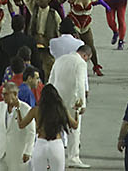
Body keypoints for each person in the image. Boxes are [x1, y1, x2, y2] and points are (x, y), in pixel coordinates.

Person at [49, 40, 91, 168]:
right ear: (86, 56)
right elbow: (80, 84)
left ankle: (52, 158)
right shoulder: (80, 63)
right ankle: (73, 157)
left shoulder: (60, 60)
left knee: (55, 130)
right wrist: (81, 103)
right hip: (72, 102)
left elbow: (51, 79)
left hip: (56, 99)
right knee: (74, 130)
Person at [24, 83, 74, 171]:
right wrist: (77, 111)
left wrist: (17, 110)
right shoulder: (61, 109)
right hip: (56, 144)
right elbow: (75, 125)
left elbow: (21, 124)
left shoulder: (36, 110)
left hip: (41, 144)